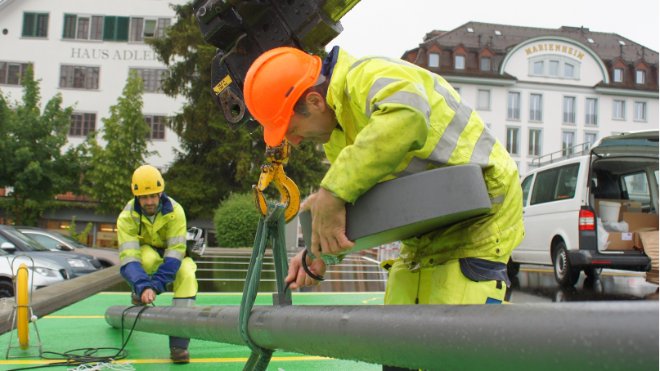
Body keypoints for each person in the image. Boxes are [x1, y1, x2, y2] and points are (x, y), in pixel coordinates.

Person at [243, 46, 523, 307]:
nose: (295, 140)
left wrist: (332, 193)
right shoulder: (338, 136)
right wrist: (318, 253)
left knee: (452, 346)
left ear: (315, 101)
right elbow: (364, 203)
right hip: (426, 233)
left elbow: (407, 117)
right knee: (396, 343)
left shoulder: (367, 75)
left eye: (292, 128)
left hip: (479, 224)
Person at [116, 164, 197, 364]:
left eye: (153, 196)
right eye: (145, 197)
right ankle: (138, 291)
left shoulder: (176, 211)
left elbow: (175, 253)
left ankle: (179, 345)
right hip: (146, 253)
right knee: (147, 258)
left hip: (173, 256)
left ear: (161, 192)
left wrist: (156, 285)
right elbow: (129, 257)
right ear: (137, 197)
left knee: (187, 273)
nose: (150, 201)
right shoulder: (127, 217)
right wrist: (143, 285)